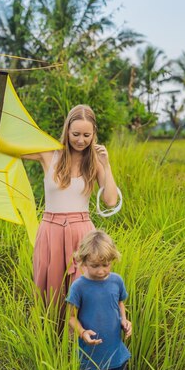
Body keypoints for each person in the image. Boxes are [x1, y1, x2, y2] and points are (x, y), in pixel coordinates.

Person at [23, 105, 119, 307]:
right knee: (49, 291)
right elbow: (11, 149)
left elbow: (110, 200)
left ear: (94, 135)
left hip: (82, 232)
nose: (81, 140)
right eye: (76, 134)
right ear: (67, 130)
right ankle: (48, 337)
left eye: (87, 135)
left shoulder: (95, 163)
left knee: (82, 292)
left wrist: (106, 165)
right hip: (50, 230)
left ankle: (78, 336)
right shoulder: (49, 154)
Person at [66, 230, 132, 370]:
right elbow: (71, 317)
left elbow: (119, 302)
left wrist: (124, 319)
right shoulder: (78, 287)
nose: (101, 271)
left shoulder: (116, 281)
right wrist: (82, 333)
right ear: (83, 262)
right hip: (90, 359)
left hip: (115, 355)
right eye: (95, 266)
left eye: (106, 265)